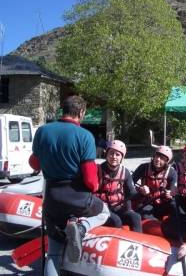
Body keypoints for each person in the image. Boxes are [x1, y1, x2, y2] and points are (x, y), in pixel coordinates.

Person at [29, 96, 110, 275]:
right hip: (77, 198)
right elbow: (90, 180)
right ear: (81, 112)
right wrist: (95, 187)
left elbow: (34, 164)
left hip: (51, 198)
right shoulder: (85, 136)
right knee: (104, 210)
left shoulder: (42, 131)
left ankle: (73, 227)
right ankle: (80, 228)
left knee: (53, 253)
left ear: (62, 109)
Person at [96, 140, 142, 232]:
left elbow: (131, 193)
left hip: (117, 207)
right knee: (116, 221)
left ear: (122, 157)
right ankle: (116, 244)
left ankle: (138, 242)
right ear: (107, 154)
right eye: (111, 153)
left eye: (117, 154)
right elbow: (90, 193)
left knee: (136, 217)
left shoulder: (125, 172)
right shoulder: (97, 170)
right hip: (101, 208)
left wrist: (141, 192)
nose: (114, 157)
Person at [132, 145, 177, 220]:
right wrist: (140, 189)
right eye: (157, 156)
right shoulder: (143, 167)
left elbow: (174, 190)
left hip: (163, 204)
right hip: (147, 202)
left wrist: (170, 193)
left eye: (162, 158)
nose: (158, 159)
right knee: (144, 214)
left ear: (167, 161)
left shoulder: (172, 172)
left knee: (174, 206)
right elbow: (130, 184)